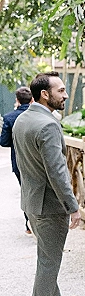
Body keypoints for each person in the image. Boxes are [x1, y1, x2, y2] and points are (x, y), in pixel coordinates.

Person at [12, 73, 82, 296]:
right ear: (45, 94)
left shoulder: (22, 119)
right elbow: (57, 171)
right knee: (49, 260)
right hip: (49, 205)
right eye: (61, 90)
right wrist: (72, 205)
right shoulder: (48, 125)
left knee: (47, 255)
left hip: (30, 201)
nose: (64, 95)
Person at [1, 85, 33, 233]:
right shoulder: (37, 115)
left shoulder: (9, 117)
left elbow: (3, 141)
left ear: (17, 100)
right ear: (32, 99)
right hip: (36, 160)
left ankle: (29, 223)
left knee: (25, 191)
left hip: (18, 161)